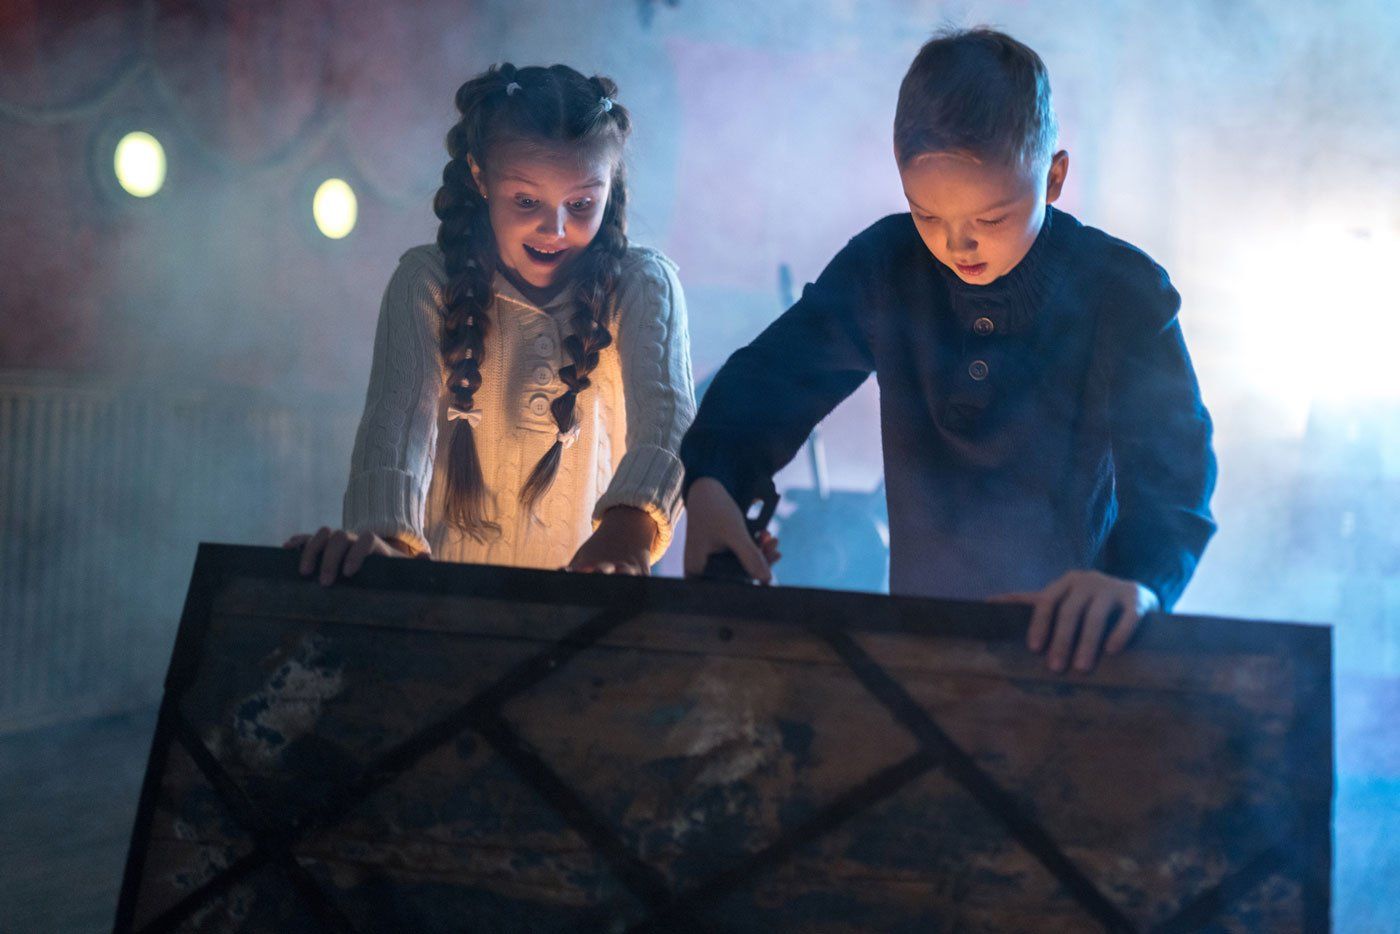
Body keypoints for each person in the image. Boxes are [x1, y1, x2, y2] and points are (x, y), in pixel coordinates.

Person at [680, 28, 1217, 673]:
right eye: (926, 214)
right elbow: (773, 381)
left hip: (1078, 650)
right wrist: (712, 479)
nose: (958, 246)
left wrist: (1138, 581)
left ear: (1053, 177)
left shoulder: (1123, 293)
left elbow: (1174, 478)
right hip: (922, 646)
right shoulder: (887, 267)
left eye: (991, 219)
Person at [288, 63, 696, 581]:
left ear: (609, 188)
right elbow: (395, 425)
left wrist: (630, 528)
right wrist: (383, 540)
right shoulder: (428, 281)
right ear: (481, 178)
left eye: (581, 204)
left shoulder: (641, 285)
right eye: (527, 200)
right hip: (440, 615)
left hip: (588, 608)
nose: (555, 226)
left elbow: (670, 419)